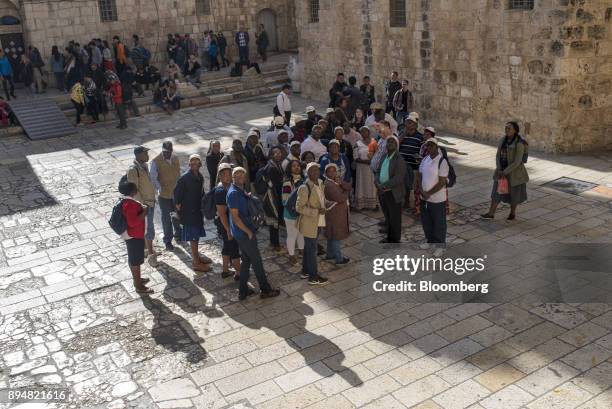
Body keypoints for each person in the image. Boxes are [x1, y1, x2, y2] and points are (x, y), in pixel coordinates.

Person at [227, 167, 281, 300]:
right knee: (257, 262)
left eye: (242, 175)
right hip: (244, 233)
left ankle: (243, 291)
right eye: (236, 175)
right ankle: (265, 290)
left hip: (244, 232)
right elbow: (235, 217)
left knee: (246, 261)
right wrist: (248, 232)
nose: (240, 177)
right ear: (232, 178)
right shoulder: (233, 193)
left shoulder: (240, 190)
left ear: (245, 178)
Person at [481, 122, 529, 221]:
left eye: (509, 128)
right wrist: (499, 169)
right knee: (496, 193)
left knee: (514, 195)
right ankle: (491, 213)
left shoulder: (519, 144)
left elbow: (517, 161)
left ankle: (512, 213)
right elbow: (498, 155)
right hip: (501, 172)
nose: (507, 130)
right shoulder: (503, 140)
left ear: (515, 130)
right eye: (506, 128)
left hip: (514, 174)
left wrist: (505, 172)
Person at [174, 154, 213, 272]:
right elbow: (177, 197)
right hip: (189, 213)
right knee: (193, 237)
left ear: (200, 164)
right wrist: (181, 212)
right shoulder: (184, 178)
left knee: (196, 237)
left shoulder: (200, 176)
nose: (195, 163)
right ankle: (196, 263)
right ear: (189, 164)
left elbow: (201, 193)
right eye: (192, 161)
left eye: (197, 161)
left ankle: (197, 257)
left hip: (197, 211)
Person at [296, 163, 329, 285]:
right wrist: (316, 211)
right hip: (309, 223)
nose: (315, 172)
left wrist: (327, 204)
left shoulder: (320, 183)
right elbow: (299, 207)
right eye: (312, 170)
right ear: (308, 173)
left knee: (309, 248)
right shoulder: (304, 188)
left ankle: (305, 271)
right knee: (312, 250)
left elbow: (321, 199)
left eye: (317, 170)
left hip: (319, 221)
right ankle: (313, 277)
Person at [118, 182, 153, 294]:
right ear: (132, 191)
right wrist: (144, 212)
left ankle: (137, 279)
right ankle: (138, 286)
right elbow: (133, 222)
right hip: (134, 236)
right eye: (135, 188)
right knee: (135, 261)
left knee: (134, 259)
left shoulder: (127, 201)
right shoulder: (130, 204)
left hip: (133, 235)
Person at [127, 146, 159, 265]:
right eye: (145, 153)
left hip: (150, 201)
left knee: (147, 228)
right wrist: (142, 205)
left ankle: (147, 249)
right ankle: (151, 256)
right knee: (149, 229)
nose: (147, 155)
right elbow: (134, 191)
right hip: (144, 205)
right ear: (139, 155)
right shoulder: (133, 170)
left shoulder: (144, 166)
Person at [417, 138, 449, 256]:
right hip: (424, 198)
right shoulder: (425, 159)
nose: (429, 148)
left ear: (436, 147)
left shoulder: (442, 162)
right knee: (427, 221)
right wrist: (421, 190)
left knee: (439, 223)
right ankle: (430, 241)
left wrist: (428, 193)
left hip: (437, 199)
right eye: (427, 146)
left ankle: (440, 245)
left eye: (431, 146)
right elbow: (419, 175)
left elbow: (441, 182)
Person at [150, 141, 182, 251]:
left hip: (176, 193)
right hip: (164, 195)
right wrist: (160, 188)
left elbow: (179, 173)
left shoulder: (175, 158)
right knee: (166, 218)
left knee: (177, 215)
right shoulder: (156, 161)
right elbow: (153, 177)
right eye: (165, 152)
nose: (167, 154)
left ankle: (178, 234)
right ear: (162, 150)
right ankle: (168, 240)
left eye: (169, 152)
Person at [375, 135, 406, 243]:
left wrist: (383, 186)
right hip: (382, 192)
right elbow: (378, 170)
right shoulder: (384, 156)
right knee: (388, 214)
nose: (390, 144)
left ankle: (394, 239)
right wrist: (377, 182)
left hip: (393, 193)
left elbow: (398, 178)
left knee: (395, 217)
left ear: (396, 145)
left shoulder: (399, 159)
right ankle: (389, 235)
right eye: (388, 142)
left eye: (392, 142)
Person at [255, 146, 284, 251]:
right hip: (272, 197)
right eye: (276, 153)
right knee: (274, 220)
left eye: (279, 152)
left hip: (273, 195)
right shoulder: (271, 167)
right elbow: (276, 184)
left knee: (273, 221)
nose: (278, 154)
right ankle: (275, 244)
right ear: (271, 155)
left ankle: (273, 242)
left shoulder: (276, 165)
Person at [214, 163, 241, 279]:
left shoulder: (229, 186)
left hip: (228, 224)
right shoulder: (220, 191)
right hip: (226, 225)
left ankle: (225, 270)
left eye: (229, 174)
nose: (227, 176)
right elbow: (222, 214)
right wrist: (229, 230)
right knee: (234, 247)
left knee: (227, 246)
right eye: (224, 174)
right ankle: (240, 273)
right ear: (219, 176)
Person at [323, 163, 351, 265]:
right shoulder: (329, 184)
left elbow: (348, 186)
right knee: (336, 235)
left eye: (334, 171)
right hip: (334, 213)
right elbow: (340, 198)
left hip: (337, 212)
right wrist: (346, 192)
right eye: (329, 171)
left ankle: (330, 254)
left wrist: (343, 185)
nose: (332, 173)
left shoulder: (336, 181)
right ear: (326, 173)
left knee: (331, 234)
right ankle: (339, 258)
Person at [282, 160, 305, 264]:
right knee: (292, 235)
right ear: (289, 169)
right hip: (291, 214)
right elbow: (284, 200)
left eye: (298, 165)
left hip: (302, 213)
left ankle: (301, 250)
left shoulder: (304, 180)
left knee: (301, 233)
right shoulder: (287, 183)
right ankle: (291, 255)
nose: (296, 167)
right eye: (293, 166)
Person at [398, 112, 422, 212]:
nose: (408, 125)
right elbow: (396, 144)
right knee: (402, 183)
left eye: (410, 123)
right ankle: (404, 200)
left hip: (413, 165)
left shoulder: (419, 137)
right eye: (407, 122)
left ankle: (409, 201)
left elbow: (421, 151)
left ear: (415, 125)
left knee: (409, 184)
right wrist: (403, 135)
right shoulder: (402, 134)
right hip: (402, 163)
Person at [354, 126, 378, 210]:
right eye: (362, 132)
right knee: (362, 185)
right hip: (361, 169)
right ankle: (362, 205)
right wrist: (366, 162)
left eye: (365, 131)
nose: (364, 133)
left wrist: (372, 161)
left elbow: (378, 154)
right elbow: (356, 158)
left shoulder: (374, 142)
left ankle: (372, 204)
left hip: (372, 169)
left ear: (369, 132)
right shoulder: (357, 143)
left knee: (372, 185)